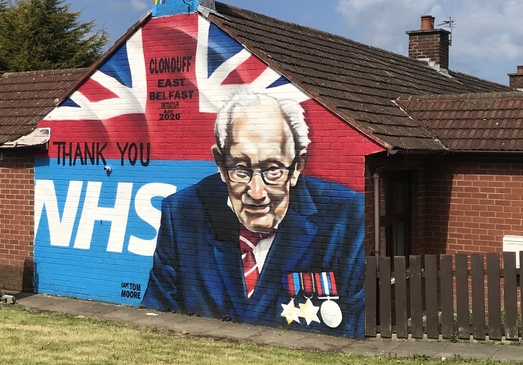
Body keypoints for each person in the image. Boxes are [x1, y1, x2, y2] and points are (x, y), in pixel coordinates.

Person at [141, 89, 365, 338]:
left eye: (273, 170)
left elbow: (354, 329)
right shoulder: (182, 212)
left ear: (296, 167)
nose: (257, 193)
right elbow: (156, 319)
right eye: (240, 169)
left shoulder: (349, 217)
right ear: (221, 164)